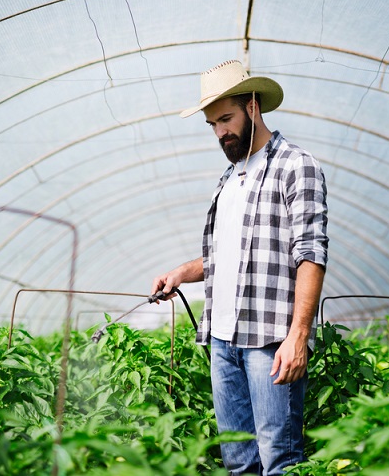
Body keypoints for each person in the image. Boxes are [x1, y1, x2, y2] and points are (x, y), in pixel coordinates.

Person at [151, 59, 328, 475]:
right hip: (222, 342)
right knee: (237, 460)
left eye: (226, 119)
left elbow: (311, 253)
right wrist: (180, 273)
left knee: (279, 459)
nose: (220, 132)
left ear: (252, 106)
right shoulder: (228, 180)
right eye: (212, 124)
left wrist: (298, 336)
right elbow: (224, 257)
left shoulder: (295, 167)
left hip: (269, 342)